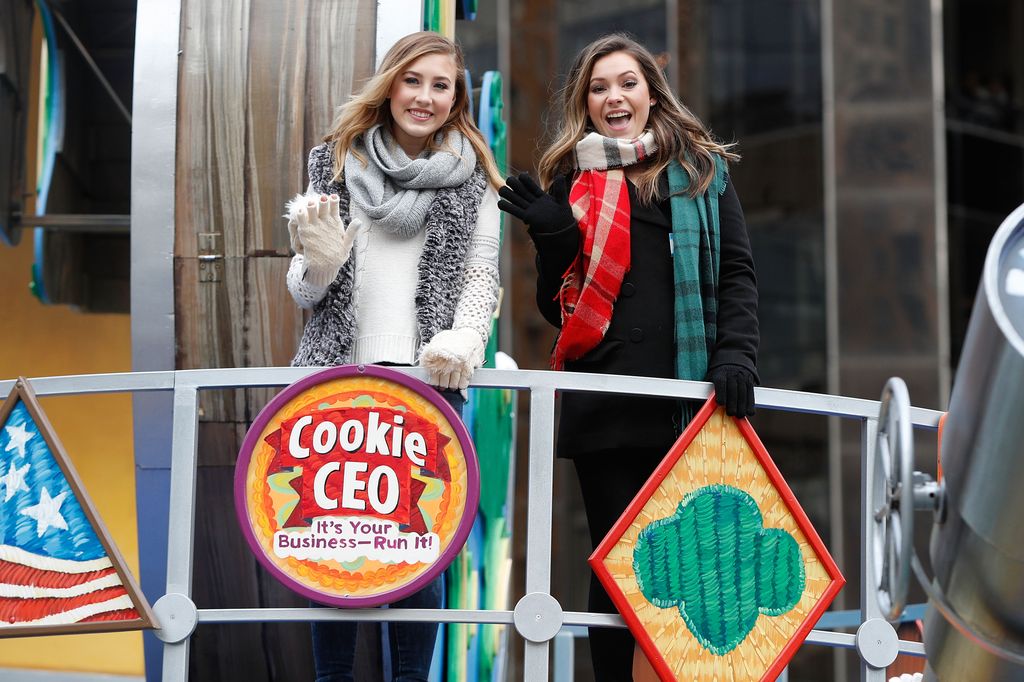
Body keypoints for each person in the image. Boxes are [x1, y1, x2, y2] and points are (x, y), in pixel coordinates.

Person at [497, 33, 758, 681]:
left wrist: (736, 356)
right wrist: (556, 239)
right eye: (599, 87)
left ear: (651, 95)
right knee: (619, 567)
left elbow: (737, 275)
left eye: (627, 83)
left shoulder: (702, 173)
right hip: (608, 406)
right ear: (586, 103)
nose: (614, 96)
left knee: (688, 568)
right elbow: (557, 310)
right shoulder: (573, 181)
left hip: (689, 402)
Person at [284, 31, 502, 682]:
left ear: (456, 98)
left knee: (416, 551)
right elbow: (303, 291)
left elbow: (481, 277)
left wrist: (465, 340)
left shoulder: (476, 178)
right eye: (413, 80)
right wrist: (320, 263)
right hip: (334, 384)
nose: (425, 97)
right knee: (329, 545)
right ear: (390, 84)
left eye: (441, 85)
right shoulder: (334, 162)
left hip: (427, 386)